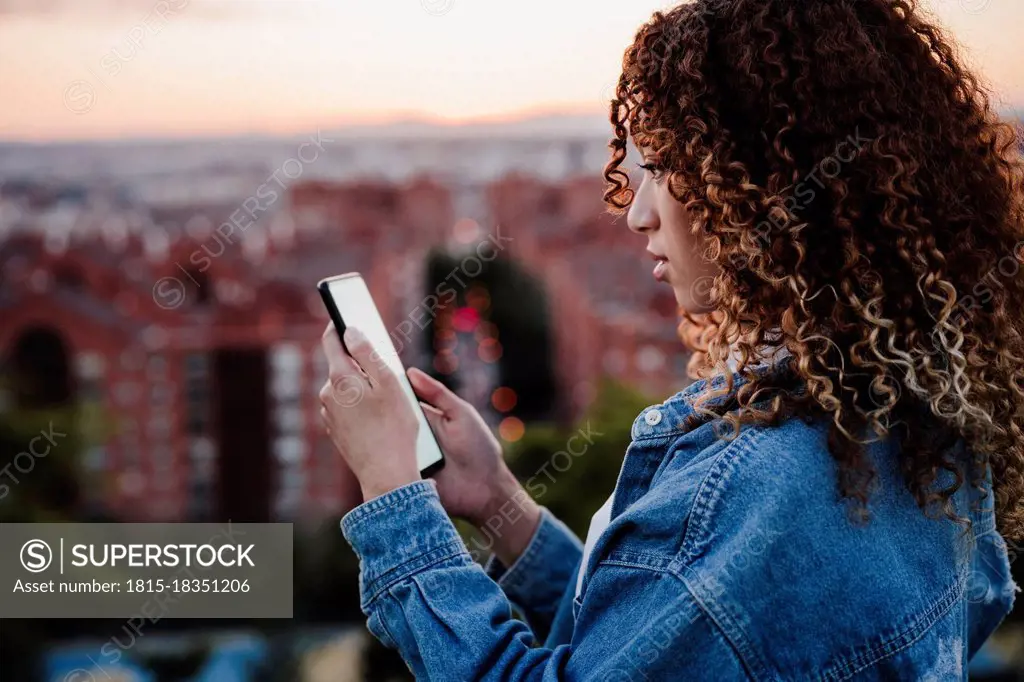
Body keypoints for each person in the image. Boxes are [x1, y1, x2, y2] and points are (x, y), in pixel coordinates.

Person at [318, 0, 1022, 678]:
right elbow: (669, 643)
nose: (638, 214)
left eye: (663, 166)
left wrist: (391, 492)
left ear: (763, 186)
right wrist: (504, 504)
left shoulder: (755, 491)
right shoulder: (912, 431)